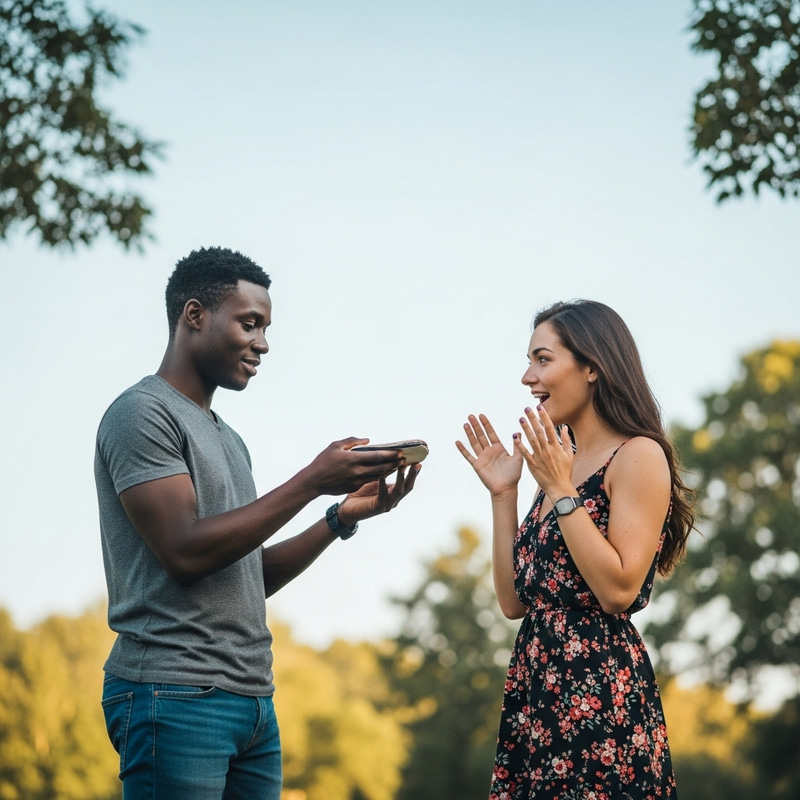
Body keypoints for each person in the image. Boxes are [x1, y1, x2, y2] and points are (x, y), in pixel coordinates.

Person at [94, 246, 422, 800]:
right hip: (172, 695)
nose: (263, 343)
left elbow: (245, 579)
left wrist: (338, 517)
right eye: (250, 323)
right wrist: (312, 479)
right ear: (194, 315)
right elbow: (186, 552)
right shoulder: (141, 413)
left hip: (252, 704)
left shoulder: (229, 440)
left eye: (266, 327)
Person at [456, 299, 693, 800]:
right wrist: (505, 494)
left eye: (542, 359)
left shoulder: (637, 456)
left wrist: (562, 491)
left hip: (599, 695)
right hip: (536, 691)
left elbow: (618, 590)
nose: (527, 377)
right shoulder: (557, 467)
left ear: (592, 367)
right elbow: (514, 603)